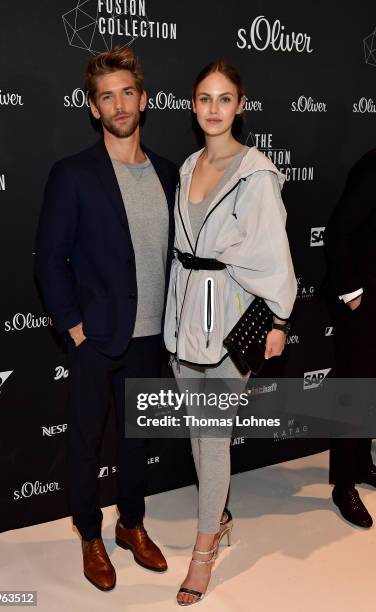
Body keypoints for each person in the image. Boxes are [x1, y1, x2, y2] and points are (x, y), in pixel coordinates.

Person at [35, 47, 179, 591]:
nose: (118, 104)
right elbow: (49, 259)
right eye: (106, 96)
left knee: (136, 440)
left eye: (126, 93)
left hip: (151, 336)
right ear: (94, 108)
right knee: (85, 440)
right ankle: (91, 535)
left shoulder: (168, 173)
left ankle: (133, 525)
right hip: (96, 336)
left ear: (143, 100)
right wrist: (73, 327)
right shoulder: (72, 174)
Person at [164, 60, 297, 606]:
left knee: (213, 438)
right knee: (198, 432)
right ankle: (215, 513)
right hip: (182, 317)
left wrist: (280, 319)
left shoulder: (256, 174)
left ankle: (203, 550)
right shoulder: (188, 165)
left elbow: (273, 254)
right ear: (192, 107)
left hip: (230, 317)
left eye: (224, 99)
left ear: (240, 105)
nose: (213, 109)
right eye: (203, 98)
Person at [324, 149, 376, 528]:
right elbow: (338, 230)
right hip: (361, 302)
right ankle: (343, 485)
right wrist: (352, 295)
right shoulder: (373, 165)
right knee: (354, 390)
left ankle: (362, 462)